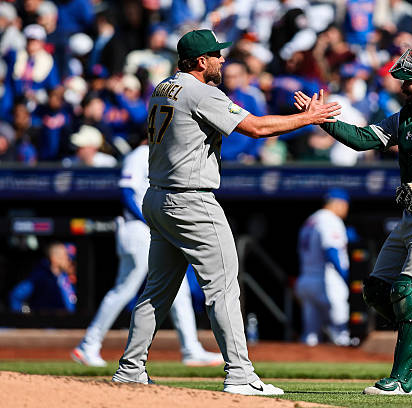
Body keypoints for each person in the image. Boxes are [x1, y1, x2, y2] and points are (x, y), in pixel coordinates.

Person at [111, 29, 340, 395]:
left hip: (158, 197)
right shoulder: (201, 91)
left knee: (157, 290)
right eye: (217, 55)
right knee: (223, 287)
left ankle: (131, 368)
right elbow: (256, 127)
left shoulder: (162, 87)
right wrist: (308, 118)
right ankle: (240, 374)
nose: (222, 60)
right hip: (191, 199)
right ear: (201, 61)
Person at [295, 41, 412, 395]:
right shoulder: (405, 116)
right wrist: (323, 120)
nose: (404, 76)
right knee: (379, 291)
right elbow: (363, 138)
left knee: (408, 291)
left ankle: (403, 380)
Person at [71, 135, 224, 368]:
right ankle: (89, 344)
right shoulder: (139, 154)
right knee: (125, 289)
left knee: (179, 289)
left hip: (151, 230)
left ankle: (191, 349)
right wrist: (150, 219)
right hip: (138, 229)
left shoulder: (154, 155)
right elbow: (125, 191)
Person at [296, 188, 351, 347]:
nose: (346, 209)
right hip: (327, 280)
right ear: (338, 204)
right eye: (346, 205)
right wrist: (345, 276)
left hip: (306, 279)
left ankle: (303, 367)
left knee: (310, 336)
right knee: (341, 334)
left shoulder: (311, 219)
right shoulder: (330, 220)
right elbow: (331, 250)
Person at [10, 242, 76, 314]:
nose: (68, 260)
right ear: (54, 258)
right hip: (46, 323)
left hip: (67, 323)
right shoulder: (39, 278)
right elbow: (15, 297)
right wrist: (27, 316)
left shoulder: (64, 277)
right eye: (65, 256)